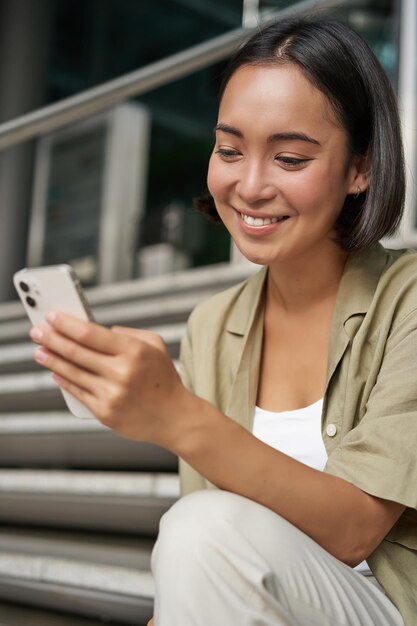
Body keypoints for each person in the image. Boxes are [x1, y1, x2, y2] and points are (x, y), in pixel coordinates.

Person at [28, 15, 416, 626]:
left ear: (360, 169)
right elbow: (206, 558)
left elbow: (356, 530)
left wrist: (177, 417)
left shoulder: (410, 300)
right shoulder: (214, 323)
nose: (250, 186)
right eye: (230, 150)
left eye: (289, 158)